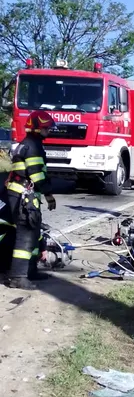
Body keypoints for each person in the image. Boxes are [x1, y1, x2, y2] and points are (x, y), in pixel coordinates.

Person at [5, 110, 57, 289]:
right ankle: (17, 277)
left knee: (34, 233)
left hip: (23, 195)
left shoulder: (30, 143)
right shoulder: (32, 146)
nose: (48, 130)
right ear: (37, 128)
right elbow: (36, 175)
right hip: (22, 195)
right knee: (26, 235)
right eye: (46, 128)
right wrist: (49, 195)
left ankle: (30, 270)